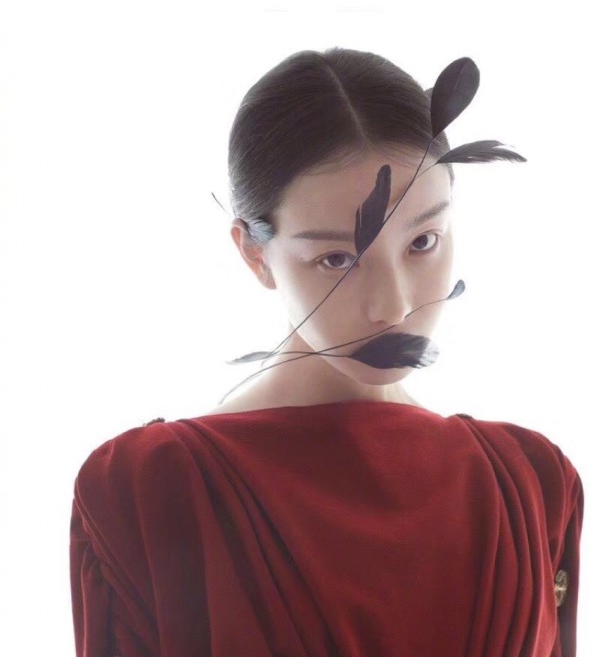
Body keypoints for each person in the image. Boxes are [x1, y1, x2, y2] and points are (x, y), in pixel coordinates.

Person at [69, 47, 583, 657]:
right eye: (336, 259)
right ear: (254, 254)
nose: (392, 305)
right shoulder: (151, 491)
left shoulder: (533, 482)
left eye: (423, 242)